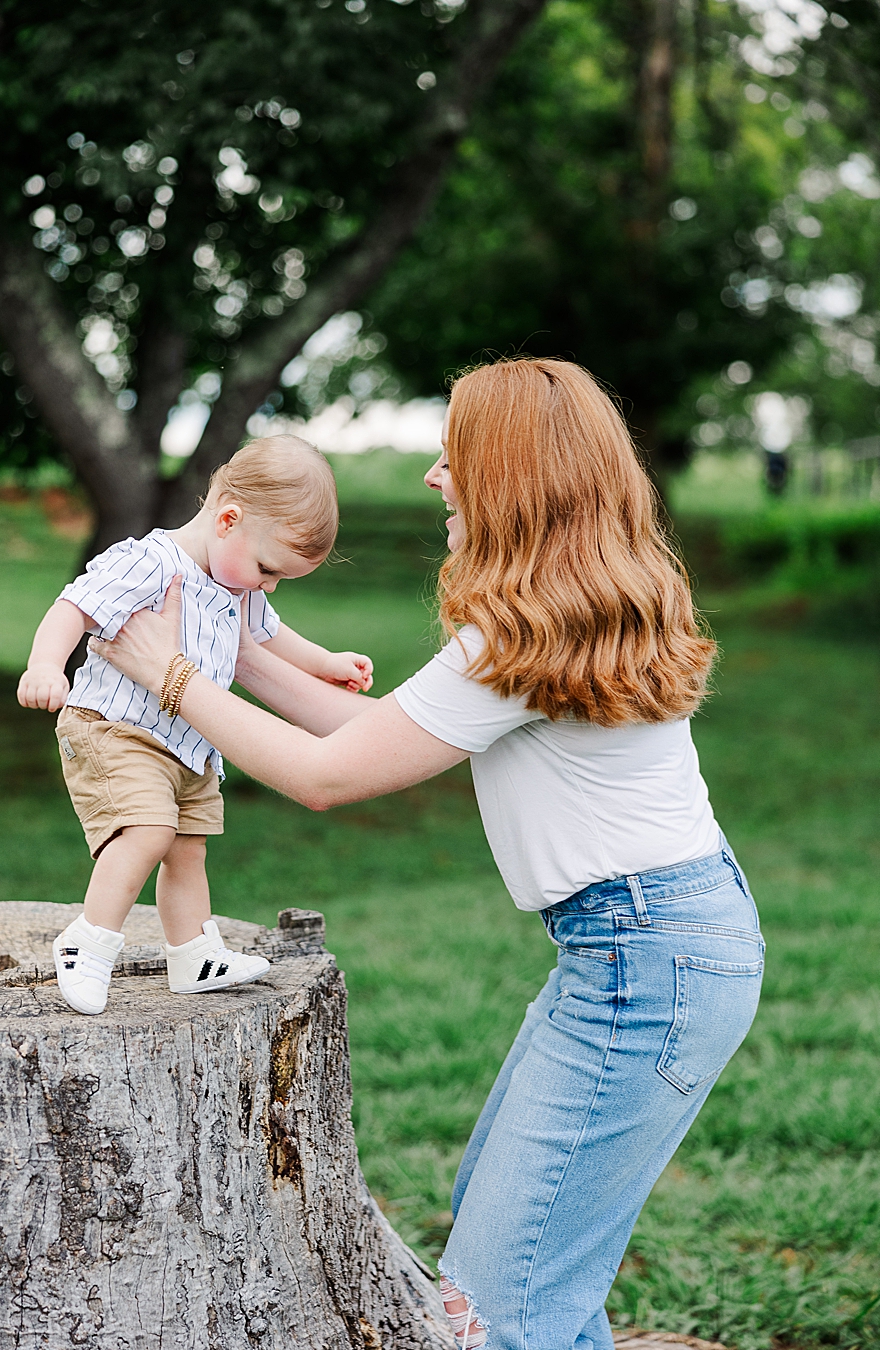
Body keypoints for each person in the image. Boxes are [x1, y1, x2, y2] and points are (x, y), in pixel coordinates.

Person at [90, 359, 764, 1350]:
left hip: (643, 960)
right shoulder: (582, 604)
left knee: (498, 1303)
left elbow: (327, 776)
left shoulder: (520, 636)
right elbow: (378, 735)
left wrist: (173, 672)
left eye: (455, 456)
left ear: (510, 476)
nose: (435, 477)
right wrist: (226, 637)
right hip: (661, 945)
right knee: (530, 1280)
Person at [17, 435, 373, 1016]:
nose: (268, 584)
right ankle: (88, 941)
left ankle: (193, 955)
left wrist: (326, 663)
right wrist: (44, 666)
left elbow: (270, 637)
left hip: (188, 743)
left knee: (188, 848)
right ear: (229, 518)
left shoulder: (238, 584)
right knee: (148, 833)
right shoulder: (149, 562)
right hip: (117, 728)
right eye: (268, 569)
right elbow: (72, 608)